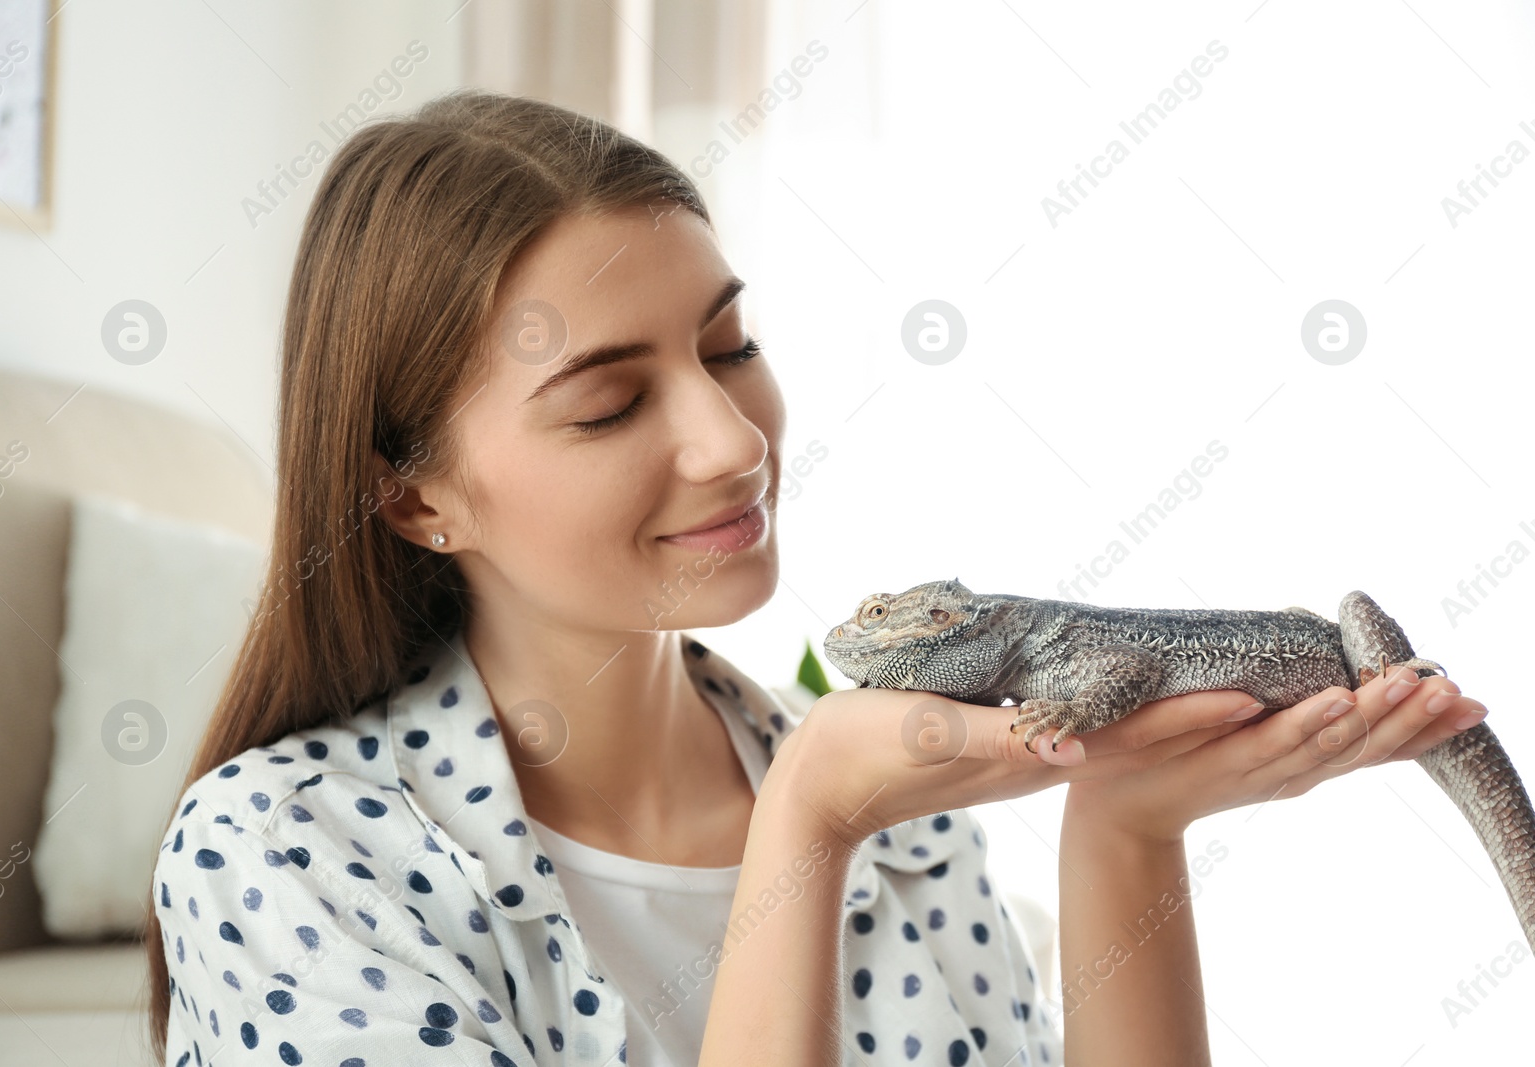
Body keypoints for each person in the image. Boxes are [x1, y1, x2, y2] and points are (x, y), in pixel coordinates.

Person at [142, 87, 1488, 1067]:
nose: (734, 443)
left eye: (730, 348)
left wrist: (1126, 832)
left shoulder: (906, 803)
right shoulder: (281, 857)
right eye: (611, 403)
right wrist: (806, 827)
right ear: (415, 495)